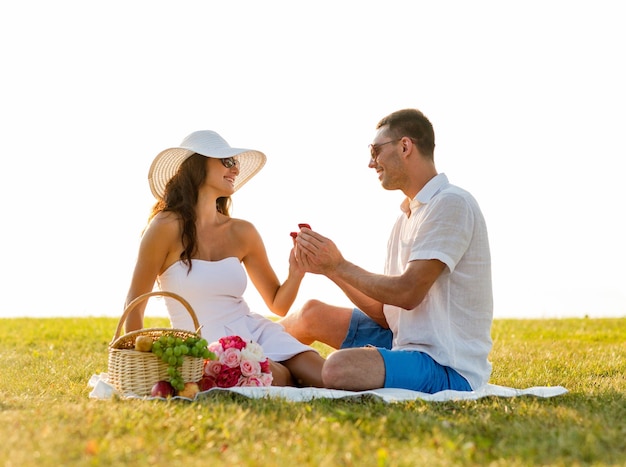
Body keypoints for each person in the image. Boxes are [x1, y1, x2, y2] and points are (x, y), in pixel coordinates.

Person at [281, 108, 493, 393]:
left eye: (375, 150)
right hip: (401, 341)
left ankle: (275, 375)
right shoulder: (405, 216)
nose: (371, 162)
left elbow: (407, 293)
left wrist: (339, 264)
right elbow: (386, 314)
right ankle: (239, 358)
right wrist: (328, 268)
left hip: (445, 365)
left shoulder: (451, 203)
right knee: (310, 313)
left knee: (338, 368)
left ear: (405, 146)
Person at [124, 130, 324, 387]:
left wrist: (296, 272)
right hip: (208, 346)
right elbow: (135, 302)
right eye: (227, 161)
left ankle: (378, 361)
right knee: (282, 377)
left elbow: (278, 304)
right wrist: (139, 360)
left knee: (328, 375)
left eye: (236, 162)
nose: (236, 169)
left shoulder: (242, 231)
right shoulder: (165, 227)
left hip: (255, 330)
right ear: (196, 165)